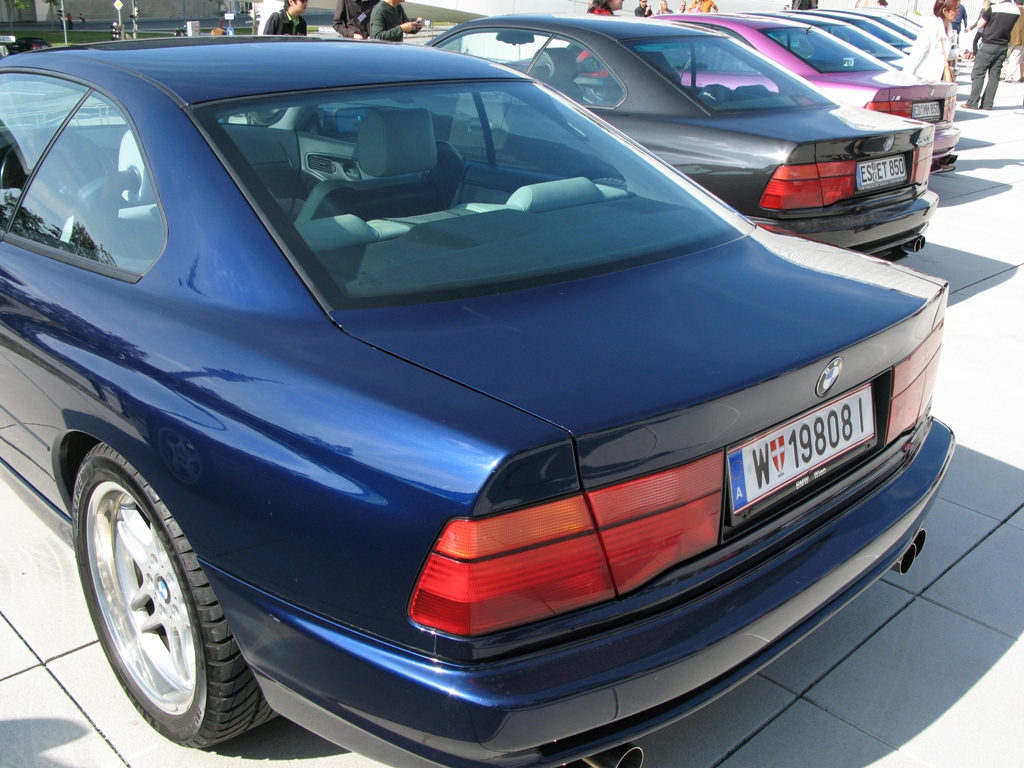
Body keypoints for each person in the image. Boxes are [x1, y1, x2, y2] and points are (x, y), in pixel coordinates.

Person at [964, 0, 1021, 108]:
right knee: (994, 75)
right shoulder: (1016, 11)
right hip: (1003, 46)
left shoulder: (994, 8)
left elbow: (980, 24)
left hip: (988, 44)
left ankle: (972, 103)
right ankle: (988, 104)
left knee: (979, 73)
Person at [901, 0, 960, 82]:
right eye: (956, 9)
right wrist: (905, 78)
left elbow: (942, 54)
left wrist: (959, 53)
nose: (958, 12)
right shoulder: (931, 28)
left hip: (935, 81)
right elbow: (916, 54)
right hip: (922, 79)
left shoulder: (948, 28)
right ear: (945, 11)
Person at [1001, 3, 1024, 80]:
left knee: (1004, 57)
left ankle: (1002, 74)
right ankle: (1010, 77)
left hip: (1010, 38)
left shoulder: (1013, 11)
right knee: (1015, 59)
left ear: (1015, 2)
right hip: (1021, 40)